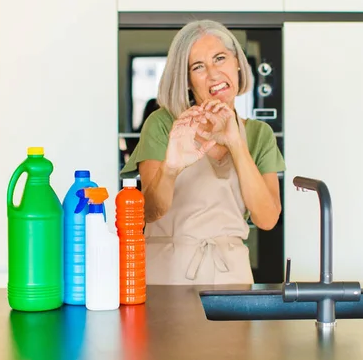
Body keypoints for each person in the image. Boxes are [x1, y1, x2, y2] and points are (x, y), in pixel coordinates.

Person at [120, 20, 285, 285]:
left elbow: (266, 219)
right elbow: (148, 212)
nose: (213, 74)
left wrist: (237, 144)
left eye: (220, 58)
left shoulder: (259, 134)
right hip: (167, 276)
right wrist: (171, 168)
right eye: (198, 67)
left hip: (232, 278)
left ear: (238, 63)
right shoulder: (164, 125)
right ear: (186, 80)